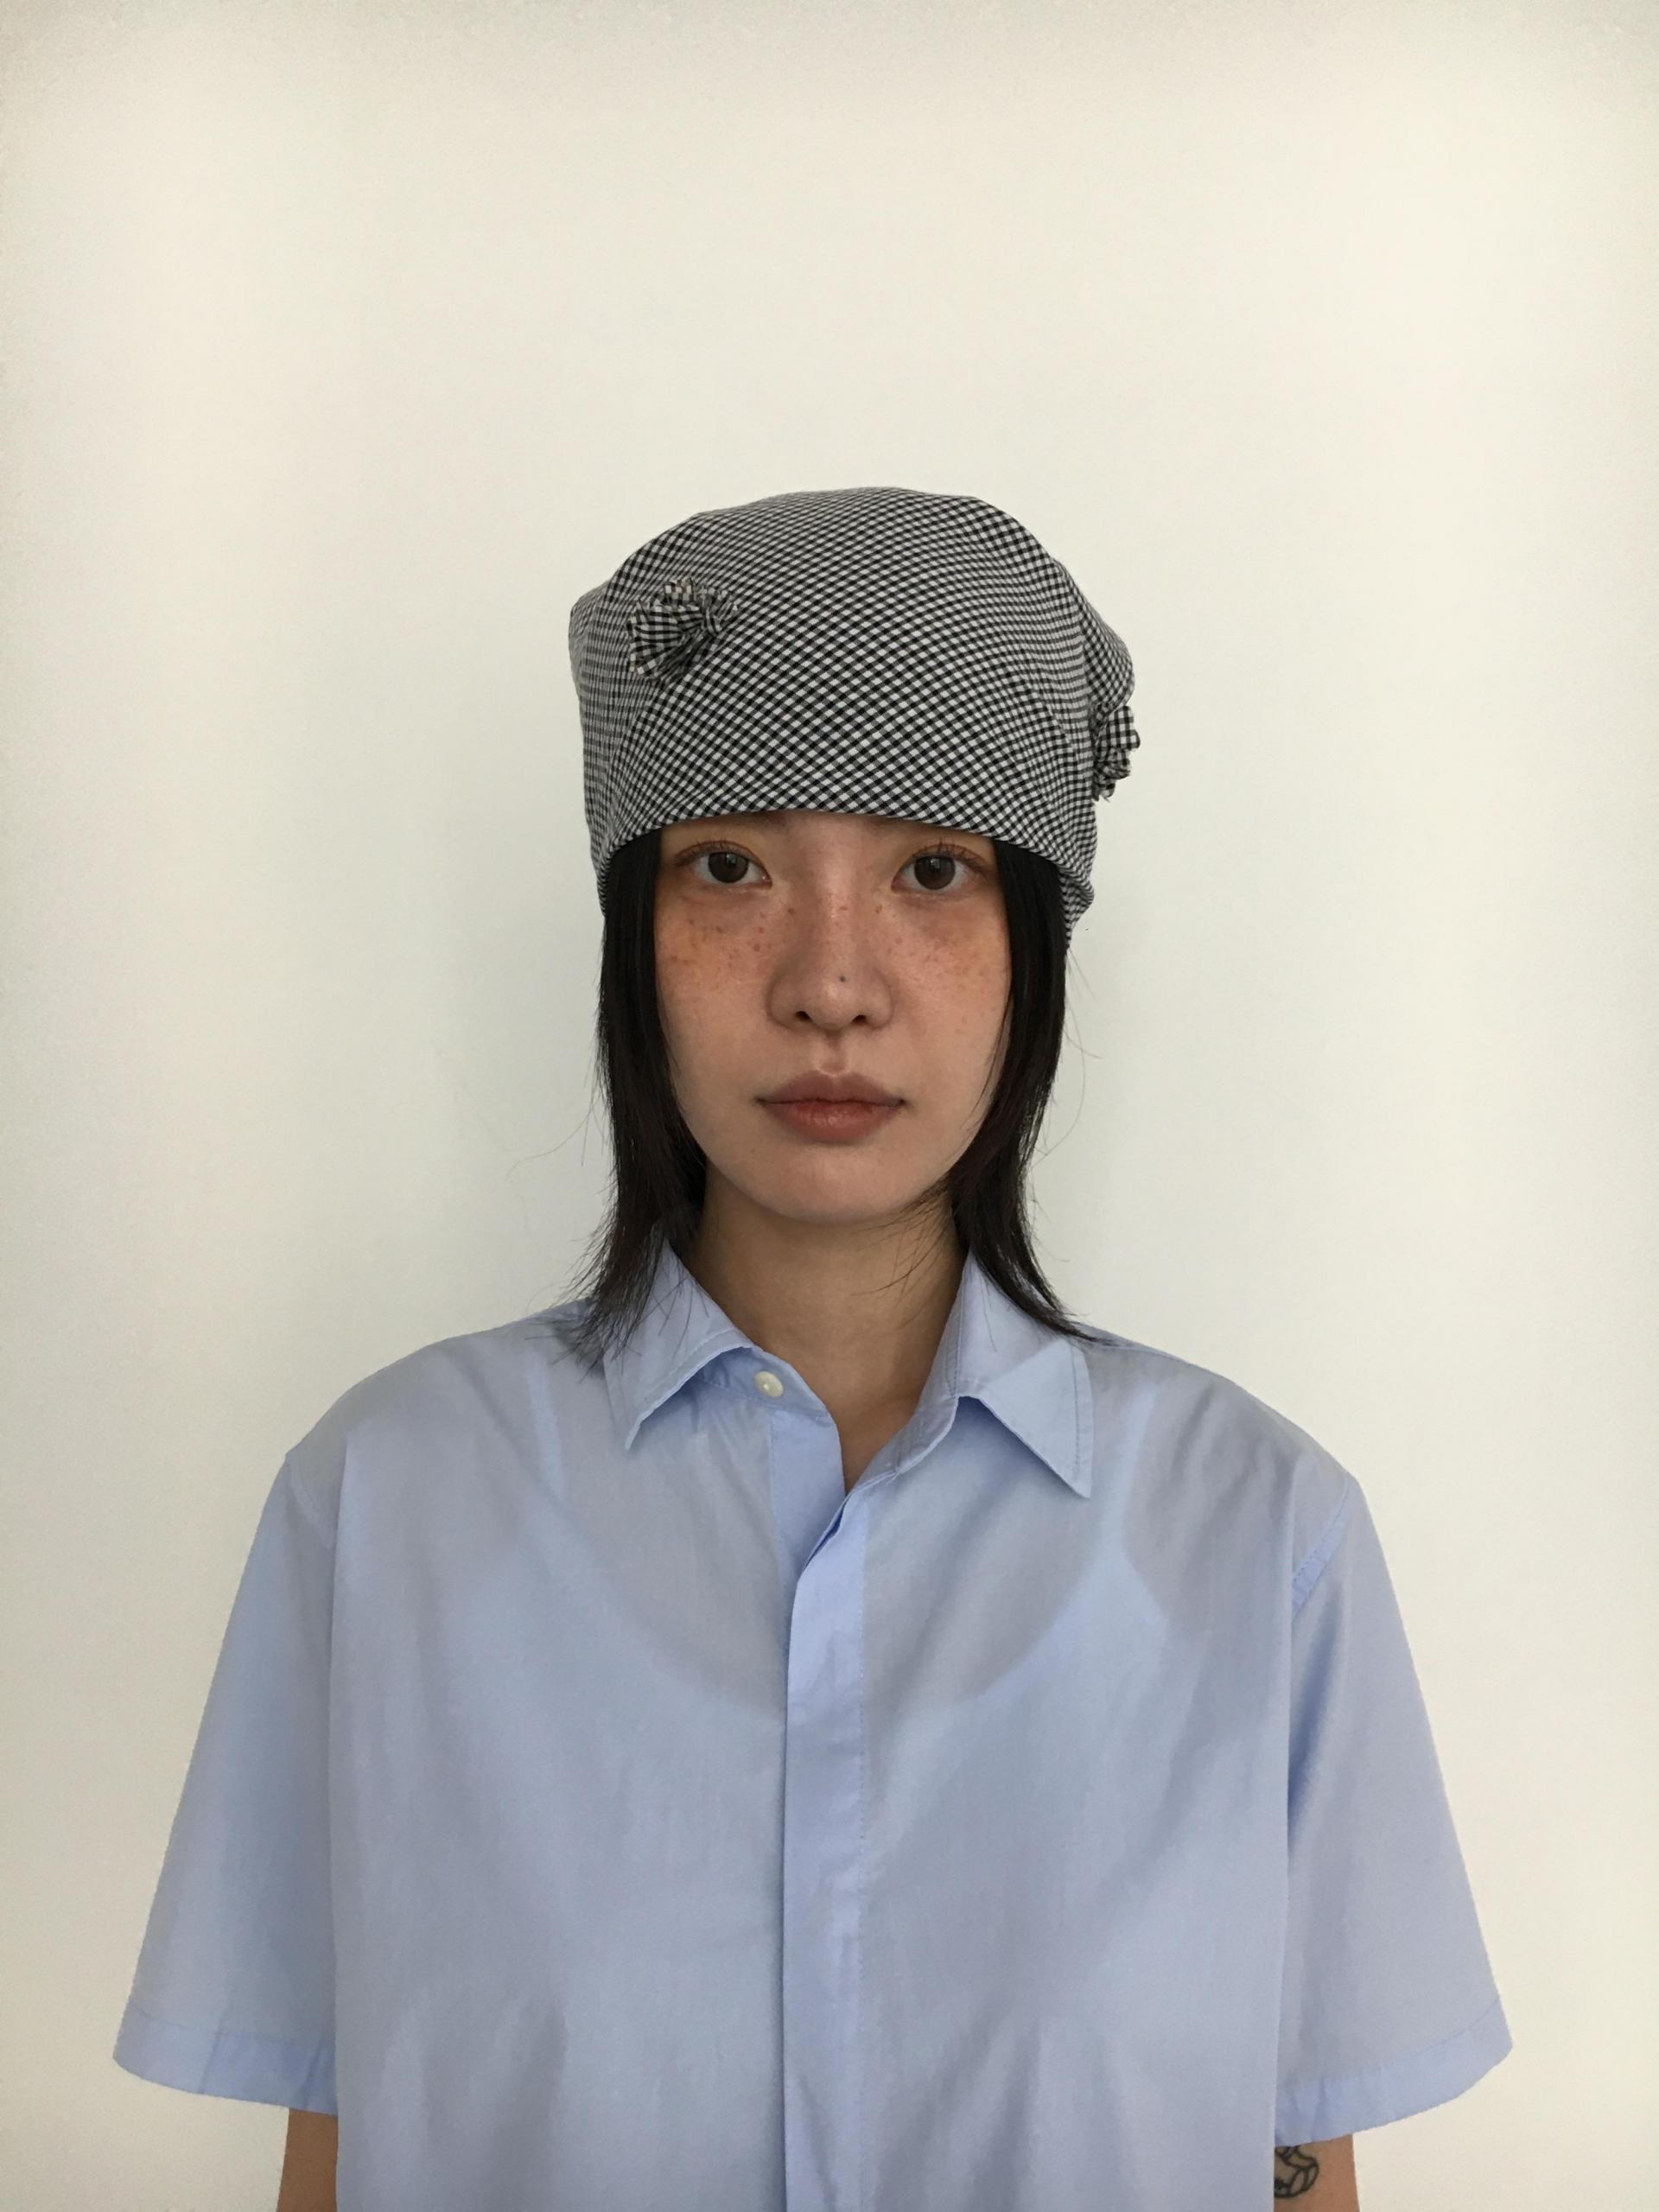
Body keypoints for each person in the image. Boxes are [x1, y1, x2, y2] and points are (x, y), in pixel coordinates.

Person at [112, 486, 1510, 2210]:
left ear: (1032, 947)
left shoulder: (1257, 1535)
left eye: (932, 870)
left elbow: (1298, 2171)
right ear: (634, 936)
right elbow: (335, 2149)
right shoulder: (388, 1501)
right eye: (732, 866)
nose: (830, 984)